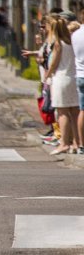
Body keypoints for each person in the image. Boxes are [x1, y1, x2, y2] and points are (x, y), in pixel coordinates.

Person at [44, 15, 79, 155]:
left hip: (61, 79)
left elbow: (54, 63)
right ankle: (77, 142)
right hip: (73, 78)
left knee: (63, 113)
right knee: (75, 113)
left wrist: (48, 74)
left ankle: (64, 143)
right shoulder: (73, 42)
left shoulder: (58, 43)